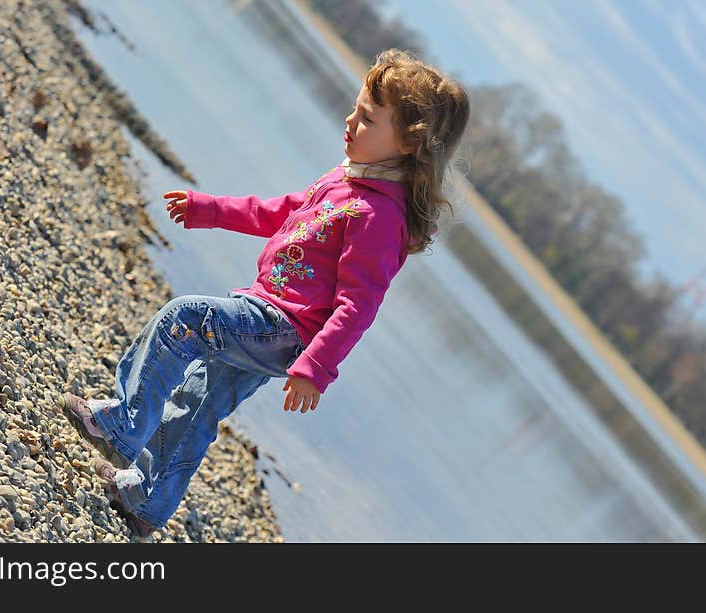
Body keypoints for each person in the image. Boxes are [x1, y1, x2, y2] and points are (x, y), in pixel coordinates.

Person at [59, 48, 470, 539]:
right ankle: (146, 499)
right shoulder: (346, 180)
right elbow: (277, 212)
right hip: (266, 316)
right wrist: (209, 209)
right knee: (200, 402)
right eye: (355, 108)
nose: (350, 121)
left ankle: (124, 424)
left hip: (280, 329)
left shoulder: (379, 217)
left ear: (407, 145)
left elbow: (357, 306)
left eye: (367, 119)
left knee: (183, 320)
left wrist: (314, 370)